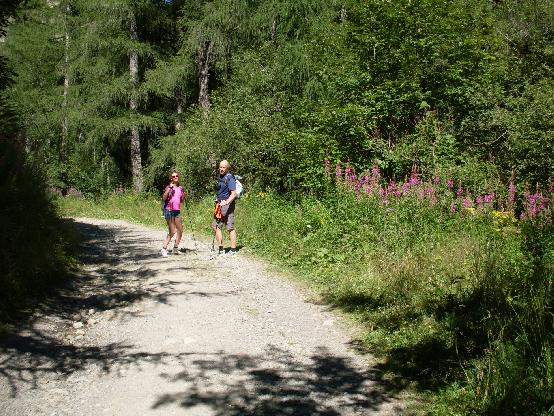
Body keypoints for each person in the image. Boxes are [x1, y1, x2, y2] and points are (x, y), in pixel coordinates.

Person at [212, 160, 237, 256]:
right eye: (220, 167)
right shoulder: (220, 177)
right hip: (219, 205)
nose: (221, 169)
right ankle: (221, 248)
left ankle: (233, 250)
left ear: (227, 168)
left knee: (230, 227)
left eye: (224, 167)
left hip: (228, 206)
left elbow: (233, 194)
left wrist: (226, 202)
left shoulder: (230, 178)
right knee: (215, 226)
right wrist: (217, 200)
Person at [160, 171, 185, 257]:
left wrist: (183, 194)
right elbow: (164, 198)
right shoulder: (168, 187)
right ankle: (164, 248)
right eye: (173, 176)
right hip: (169, 210)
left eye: (177, 176)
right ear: (171, 178)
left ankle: (175, 248)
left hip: (177, 211)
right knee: (173, 230)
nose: (175, 177)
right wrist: (169, 188)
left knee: (180, 230)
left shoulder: (180, 188)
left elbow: (181, 200)